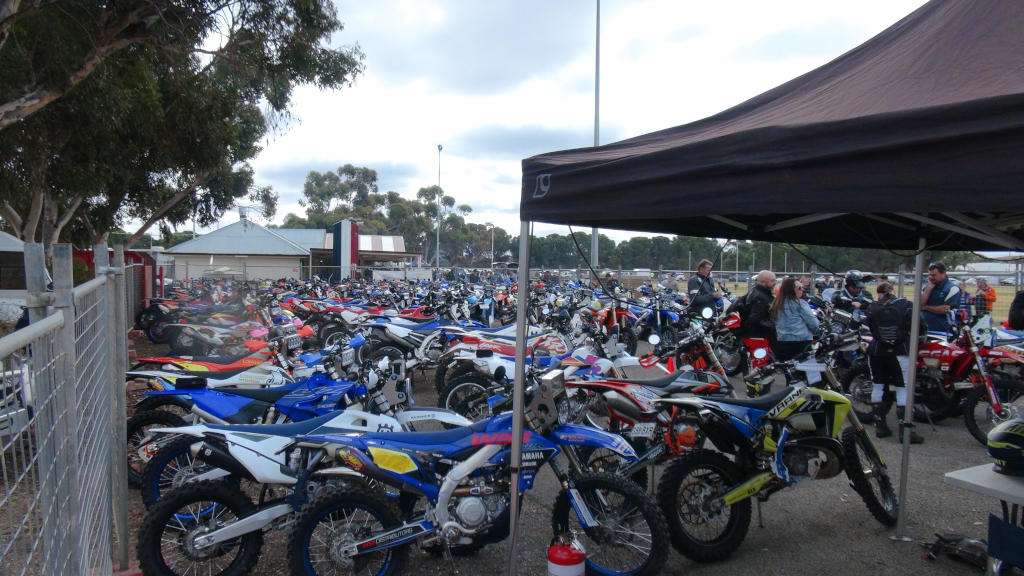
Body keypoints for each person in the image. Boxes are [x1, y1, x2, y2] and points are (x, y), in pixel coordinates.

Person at [863, 282, 923, 444]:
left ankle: (880, 426)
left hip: (877, 351)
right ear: (892, 291)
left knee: (878, 385)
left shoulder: (872, 307)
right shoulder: (906, 305)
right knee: (902, 388)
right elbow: (921, 326)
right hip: (900, 351)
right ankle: (905, 431)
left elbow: (865, 325)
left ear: (879, 293)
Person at [771, 277, 819, 362]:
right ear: (791, 290)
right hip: (801, 342)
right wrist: (817, 332)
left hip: (782, 341)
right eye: (799, 288)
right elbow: (813, 324)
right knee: (810, 371)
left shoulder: (776, 303)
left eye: (802, 287)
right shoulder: (800, 303)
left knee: (788, 369)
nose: (802, 290)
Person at [922, 262, 960, 335]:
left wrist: (925, 307)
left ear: (943, 274)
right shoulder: (927, 287)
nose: (930, 277)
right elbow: (919, 305)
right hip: (925, 329)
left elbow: (945, 309)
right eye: (929, 274)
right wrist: (928, 289)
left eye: (934, 275)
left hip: (943, 330)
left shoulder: (952, 288)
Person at [740, 270, 776, 339]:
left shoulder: (759, 292)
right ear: (763, 282)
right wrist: (774, 326)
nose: (775, 283)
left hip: (758, 333)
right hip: (759, 335)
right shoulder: (760, 297)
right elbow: (755, 320)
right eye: (772, 281)